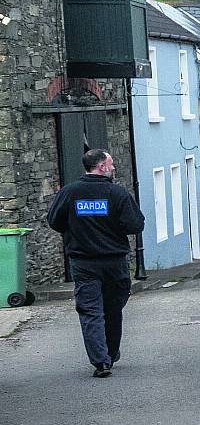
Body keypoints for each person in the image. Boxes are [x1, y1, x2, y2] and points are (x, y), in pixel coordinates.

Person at [47, 149, 145, 378]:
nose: (112, 168)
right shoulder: (117, 194)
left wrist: (76, 230)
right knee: (113, 308)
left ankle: (101, 361)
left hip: (83, 262)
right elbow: (135, 225)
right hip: (115, 261)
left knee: (90, 311)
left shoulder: (69, 193)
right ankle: (109, 353)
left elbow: (54, 221)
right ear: (101, 167)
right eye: (110, 164)